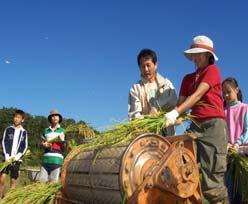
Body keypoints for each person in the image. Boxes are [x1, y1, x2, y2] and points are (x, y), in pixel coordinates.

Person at [164, 35, 229, 204]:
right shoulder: (187, 78)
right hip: (194, 126)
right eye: (193, 54)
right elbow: (181, 102)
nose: (194, 58)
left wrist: (176, 112)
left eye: (198, 54)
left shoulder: (212, 71)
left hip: (213, 126)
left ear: (208, 55)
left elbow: (198, 94)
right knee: (185, 170)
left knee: (212, 181)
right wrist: (169, 116)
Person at [128, 48, 177, 135]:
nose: (146, 69)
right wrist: (149, 121)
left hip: (168, 134)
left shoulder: (166, 84)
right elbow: (135, 115)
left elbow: (174, 104)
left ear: (155, 65)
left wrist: (157, 109)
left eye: (148, 65)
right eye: (142, 66)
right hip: (146, 135)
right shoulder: (135, 88)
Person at [222, 77, 248, 204]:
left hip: (243, 151)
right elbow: (221, 131)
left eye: (228, 91)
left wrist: (237, 144)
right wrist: (226, 143)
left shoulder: (245, 108)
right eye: (223, 93)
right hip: (229, 153)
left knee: (243, 188)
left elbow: (247, 130)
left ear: (237, 90)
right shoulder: (222, 112)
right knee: (230, 189)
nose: (226, 95)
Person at [0, 109, 28, 198]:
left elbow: (25, 146)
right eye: (15, 117)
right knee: (2, 179)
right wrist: (7, 155)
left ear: (22, 120)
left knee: (13, 180)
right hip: (7, 158)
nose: (16, 119)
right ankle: (1, 197)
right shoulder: (8, 129)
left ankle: (10, 199)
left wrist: (18, 156)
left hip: (17, 160)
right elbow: (4, 142)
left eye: (19, 118)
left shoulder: (24, 132)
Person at [38, 110, 65, 182]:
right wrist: (43, 145)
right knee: (41, 181)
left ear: (59, 118)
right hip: (45, 160)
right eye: (52, 116)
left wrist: (62, 141)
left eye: (56, 116)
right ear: (50, 119)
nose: (54, 117)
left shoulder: (63, 131)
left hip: (57, 160)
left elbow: (65, 146)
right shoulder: (46, 130)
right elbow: (41, 143)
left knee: (53, 182)